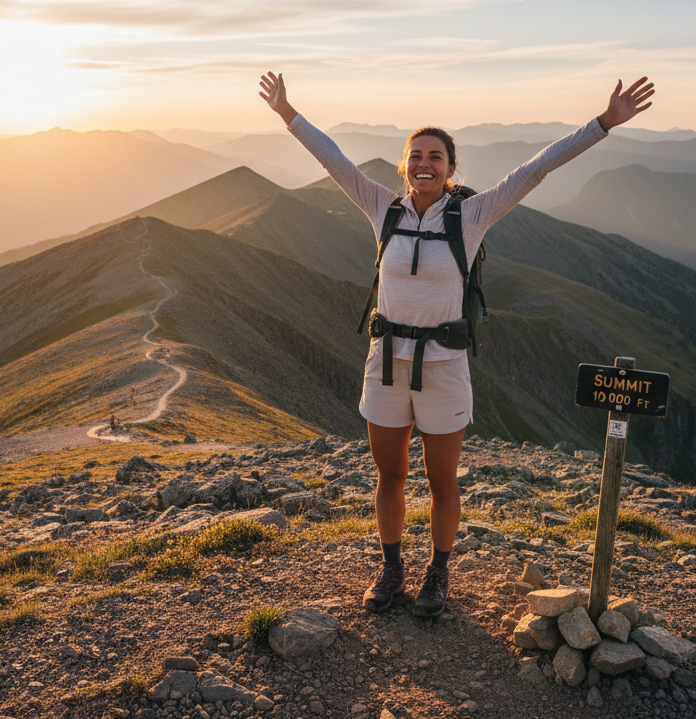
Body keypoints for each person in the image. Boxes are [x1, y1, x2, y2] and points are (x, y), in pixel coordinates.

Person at [258, 71, 654, 617]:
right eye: (415, 155)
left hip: (444, 365)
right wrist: (287, 112)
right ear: (403, 165)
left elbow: (535, 169)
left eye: (436, 157)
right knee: (390, 474)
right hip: (386, 362)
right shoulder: (383, 209)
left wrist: (604, 123)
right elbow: (335, 161)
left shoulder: (471, 215)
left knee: (442, 480)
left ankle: (437, 576)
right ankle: (392, 567)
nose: (424, 163)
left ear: (450, 168)